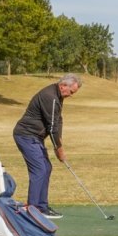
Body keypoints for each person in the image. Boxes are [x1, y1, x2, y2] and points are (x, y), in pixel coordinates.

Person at [13, 74, 80, 219]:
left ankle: (42, 207)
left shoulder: (58, 96)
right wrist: (58, 149)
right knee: (39, 169)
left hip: (35, 137)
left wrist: (59, 143)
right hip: (26, 135)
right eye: (71, 92)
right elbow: (52, 126)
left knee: (46, 167)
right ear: (63, 86)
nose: (71, 95)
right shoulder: (50, 96)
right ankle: (33, 210)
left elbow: (58, 121)